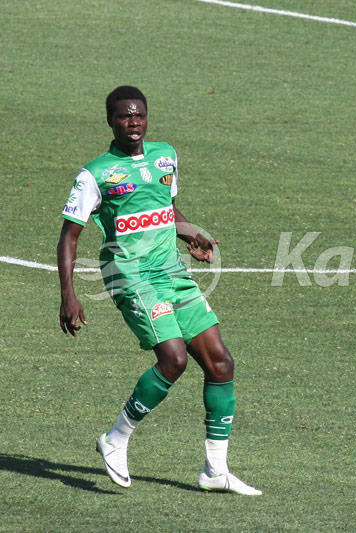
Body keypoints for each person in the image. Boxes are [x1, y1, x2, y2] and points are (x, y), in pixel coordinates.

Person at [58, 86, 261, 495]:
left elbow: (166, 206)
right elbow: (69, 237)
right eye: (123, 116)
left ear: (147, 118)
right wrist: (68, 292)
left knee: (221, 363)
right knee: (173, 359)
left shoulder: (165, 155)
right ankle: (115, 439)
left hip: (170, 269)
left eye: (139, 115)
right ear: (110, 120)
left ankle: (215, 470)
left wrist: (189, 236)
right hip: (129, 273)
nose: (132, 123)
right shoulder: (94, 174)